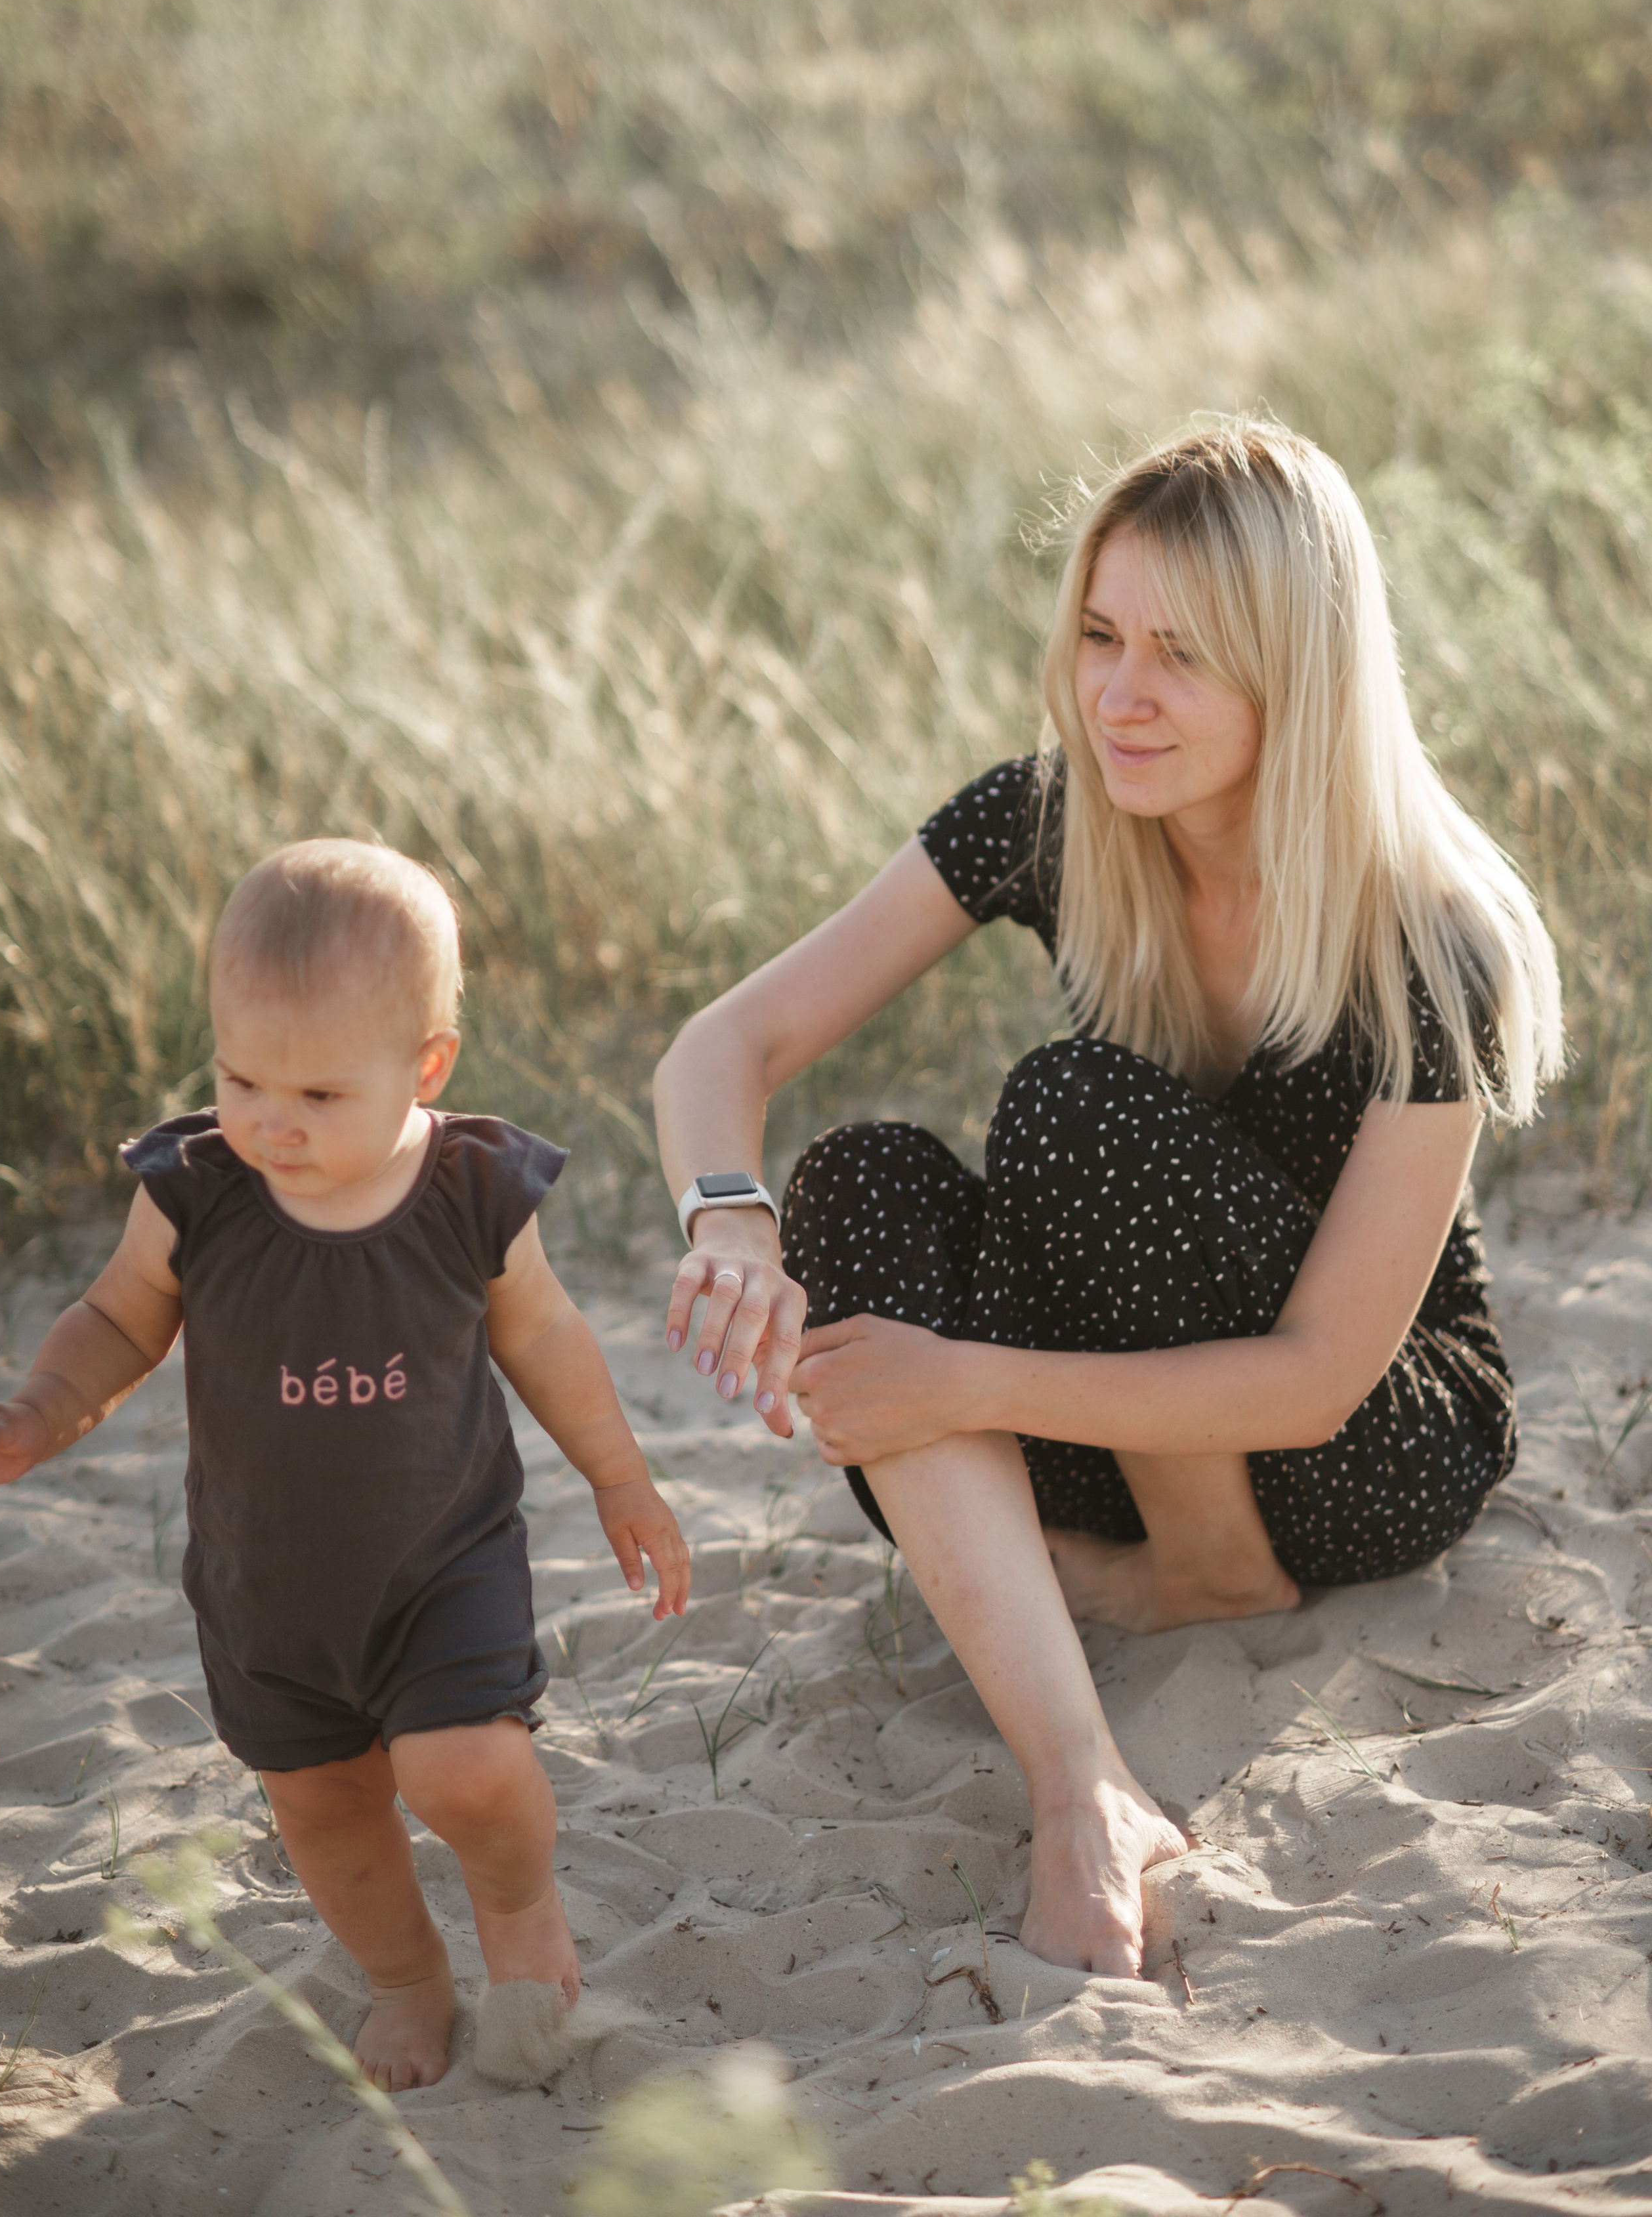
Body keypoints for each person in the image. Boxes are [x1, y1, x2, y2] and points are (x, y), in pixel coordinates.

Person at [652, 418, 1561, 1981]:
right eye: (1098, 634)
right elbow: (726, 1043)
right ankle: (1080, 1780)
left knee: (1070, 1110)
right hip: (1115, 1417)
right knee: (852, 1182)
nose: (1118, 695)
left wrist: (965, 1383)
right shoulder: (1054, 815)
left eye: (1182, 656)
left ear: (1299, 673)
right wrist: (728, 1220)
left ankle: (1202, 1575)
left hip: (1355, 1445)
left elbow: (1319, 1373)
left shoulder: (1429, 936)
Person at [0, 841, 689, 2090]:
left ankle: (519, 1913)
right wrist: (41, 1410)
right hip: (266, 1589)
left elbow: (545, 1336)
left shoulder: (469, 1191)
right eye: (241, 1077)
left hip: (441, 1562)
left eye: (316, 1095)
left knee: (464, 1765)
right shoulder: (199, 1188)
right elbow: (119, 1319)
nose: (269, 1122)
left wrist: (620, 1477)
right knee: (325, 1808)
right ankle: (409, 1978)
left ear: (426, 1068)